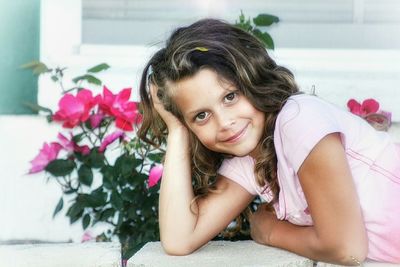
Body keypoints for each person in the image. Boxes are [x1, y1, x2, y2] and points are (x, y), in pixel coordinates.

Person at [137, 18, 400, 265]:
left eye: (230, 97)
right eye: (201, 116)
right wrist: (177, 130)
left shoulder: (299, 119)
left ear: (253, 79)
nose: (225, 122)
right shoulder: (249, 161)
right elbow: (180, 239)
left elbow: (346, 248)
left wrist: (270, 231)